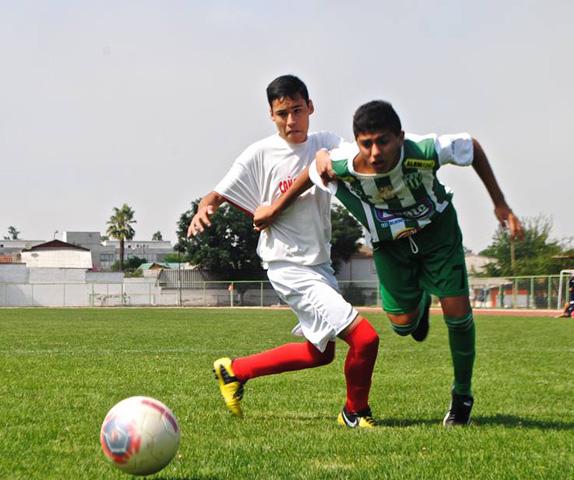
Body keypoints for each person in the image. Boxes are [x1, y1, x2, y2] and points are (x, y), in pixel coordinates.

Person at [255, 100, 523, 426]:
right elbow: (312, 172)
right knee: (402, 325)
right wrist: (275, 209)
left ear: (400, 136)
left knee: (457, 312)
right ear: (357, 142)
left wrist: (500, 204)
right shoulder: (345, 163)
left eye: (383, 141)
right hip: (389, 247)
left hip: (438, 233)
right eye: (366, 143)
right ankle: (420, 302)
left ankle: (462, 395)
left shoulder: (424, 150)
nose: (375, 152)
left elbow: (472, 147)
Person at [187, 75, 381, 428]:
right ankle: (355, 412)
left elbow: (351, 156)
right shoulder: (259, 154)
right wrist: (205, 208)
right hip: (287, 266)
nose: (291, 121)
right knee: (365, 338)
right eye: (282, 114)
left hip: (319, 265)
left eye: (297, 110)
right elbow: (216, 194)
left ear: (310, 107)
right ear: (271, 116)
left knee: (320, 353)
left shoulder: (324, 141)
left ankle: (235, 371)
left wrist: (326, 156)